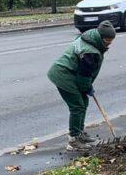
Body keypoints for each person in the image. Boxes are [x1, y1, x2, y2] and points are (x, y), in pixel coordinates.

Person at [47, 21, 116, 150]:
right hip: (63, 75)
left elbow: (84, 73)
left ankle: (80, 134)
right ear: (100, 38)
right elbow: (84, 74)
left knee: (83, 102)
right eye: (108, 40)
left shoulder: (89, 38)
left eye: (111, 40)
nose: (110, 43)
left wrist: (86, 87)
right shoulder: (90, 51)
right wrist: (87, 87)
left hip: (71, 73)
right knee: (77, 106)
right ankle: (73, 140)